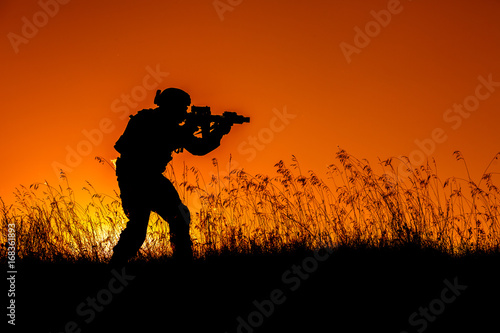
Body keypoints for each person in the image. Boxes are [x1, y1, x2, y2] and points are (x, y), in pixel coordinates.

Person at [110, 88, 232, 265]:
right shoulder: (148, 120)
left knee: (178, 216)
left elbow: (199, 148)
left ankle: (181, 261)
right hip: (137, 176)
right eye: (183, 108)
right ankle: (117, 264)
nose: (185, 112)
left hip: (147, 177)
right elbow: (163, 135)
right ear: (171, 106)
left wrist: (217, 131)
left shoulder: (167, 125)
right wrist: (192, 129)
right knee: (139, 226)